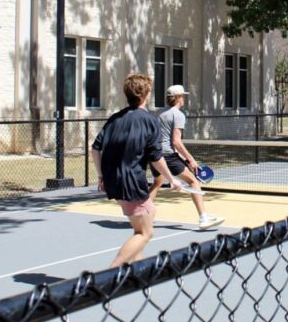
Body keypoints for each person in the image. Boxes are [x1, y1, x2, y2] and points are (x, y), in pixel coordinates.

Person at [91, 73, 185, 268]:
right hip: (131, 182)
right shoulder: (150, 121)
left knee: (149, 214)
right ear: (146, 94)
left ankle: (137, 267)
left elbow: (95, 149)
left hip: (113, 181)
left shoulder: (115, 118)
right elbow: (156, 157)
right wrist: (172, 179)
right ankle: (109, 274)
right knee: (145, 232)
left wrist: (101, 175)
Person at [151, 84, 225, 230]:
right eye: (182, 96)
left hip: (155, 154)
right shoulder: (178, 115)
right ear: (178, 98)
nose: (184, 99)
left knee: (157, 182)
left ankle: (143, 214)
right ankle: (204, 218)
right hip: (167, 155)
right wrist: (191, 159)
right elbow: (176, 141)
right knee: (193, 181)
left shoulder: (159, 113)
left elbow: (162, 138)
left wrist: (181, 157)